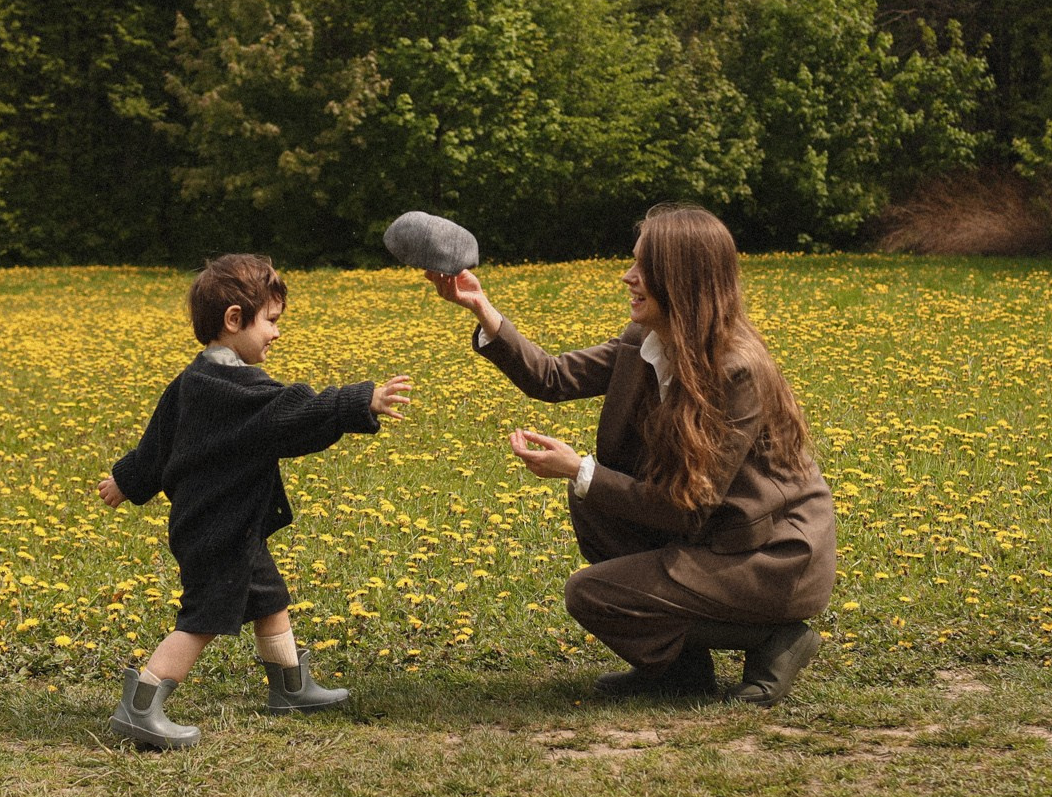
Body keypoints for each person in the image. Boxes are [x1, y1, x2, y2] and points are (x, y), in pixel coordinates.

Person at [430, 204, 835, 704]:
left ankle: (774, 638)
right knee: (592, 500)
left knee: (593, 591)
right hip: (710, 536)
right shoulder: (645, 341)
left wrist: (579, 469)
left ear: (682, 278)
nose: (628, 277)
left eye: (644, 267)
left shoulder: (736, 371)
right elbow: (553, 377)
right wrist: (481, 307)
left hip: (765, 557)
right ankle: (680, 672)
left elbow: (689, 508)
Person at [99, 253, 413, 749]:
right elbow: (294, 416)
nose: (276, 333)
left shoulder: (191, 381)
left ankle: (290, 687)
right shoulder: (239, 390)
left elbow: (156, 447)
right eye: (270, 321)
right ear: (233, 320)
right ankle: (141, 705)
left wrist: (126, 481)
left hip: (225, 525)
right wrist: (358, 401)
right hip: (217, 530)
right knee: (202, 619)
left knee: (268, 598)